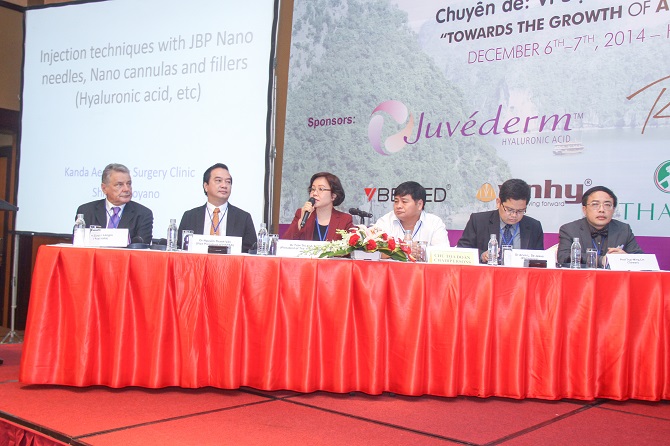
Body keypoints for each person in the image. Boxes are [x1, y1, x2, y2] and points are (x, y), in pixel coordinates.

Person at [457, 178, 543, 263]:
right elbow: (462, 251)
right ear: (498, 202)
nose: (514, 215)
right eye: (509, 210)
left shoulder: (534, 227)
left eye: (520, 211)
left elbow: (539, 260)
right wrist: (482, 256)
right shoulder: (478, 221)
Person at [178, 163, 257, 252]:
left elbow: (251, 252)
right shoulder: (189, 217)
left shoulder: (243, 218)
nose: (224, 185)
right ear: (206, 186)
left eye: (228, 182)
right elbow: (179, 249)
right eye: (219, 181)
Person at [557, 185, 643, 267]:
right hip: (582, 277)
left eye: (607, 205)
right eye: (595, 204)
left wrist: (626, 258)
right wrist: (600, 260)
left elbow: (641, 259)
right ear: (584, 209)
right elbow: (563, 257)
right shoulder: (570, 229)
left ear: (613, 210)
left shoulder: (623, 229)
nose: (601, 210)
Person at [76, 163, 153, 243]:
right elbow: (78, 243)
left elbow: (142, 246)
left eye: (128, 184)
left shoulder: (143, 214)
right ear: (104, 188)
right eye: (119, 185)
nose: (126, 189)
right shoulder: (86, 211)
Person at [282, 172, 354, 241]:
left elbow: (352, 246)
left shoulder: (345, 220)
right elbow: (285, 243)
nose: (315, 193)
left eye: (321, 189)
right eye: (313, 189)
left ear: (333, 196)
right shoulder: (301, 213)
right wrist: (301, 221)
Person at [374, 181, 449, 246]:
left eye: (404, 202)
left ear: (419, 204)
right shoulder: (385, 222)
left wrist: (422, 252)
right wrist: (402, 251)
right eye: (396, 201)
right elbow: (374, 251)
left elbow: (442, 253)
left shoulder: (434, 223)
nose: (398, 206)